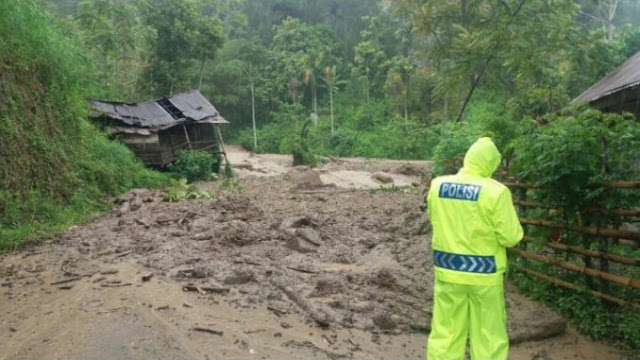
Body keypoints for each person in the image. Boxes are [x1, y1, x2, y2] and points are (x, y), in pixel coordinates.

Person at [426, 137, 523, 360]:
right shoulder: (496, 192)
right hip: (485, 276)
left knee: (445, 334)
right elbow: (511, 237)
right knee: (489, 336)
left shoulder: (438, 186)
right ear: (490, 163)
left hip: (448, 273)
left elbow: (435, 218)